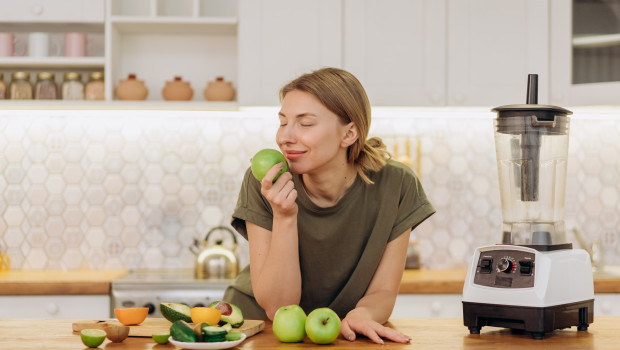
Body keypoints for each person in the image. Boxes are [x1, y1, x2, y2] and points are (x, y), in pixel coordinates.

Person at [223, 67, 435, 344]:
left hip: (341, 331)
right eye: (283, 121)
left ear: (349, 134)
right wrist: (284, 216)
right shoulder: (265, 181)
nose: (285, 137)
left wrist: (364, 314)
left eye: (305, 123)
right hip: (259, 327)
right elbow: (278, 306)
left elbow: (383, 290)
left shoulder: (396, 184)